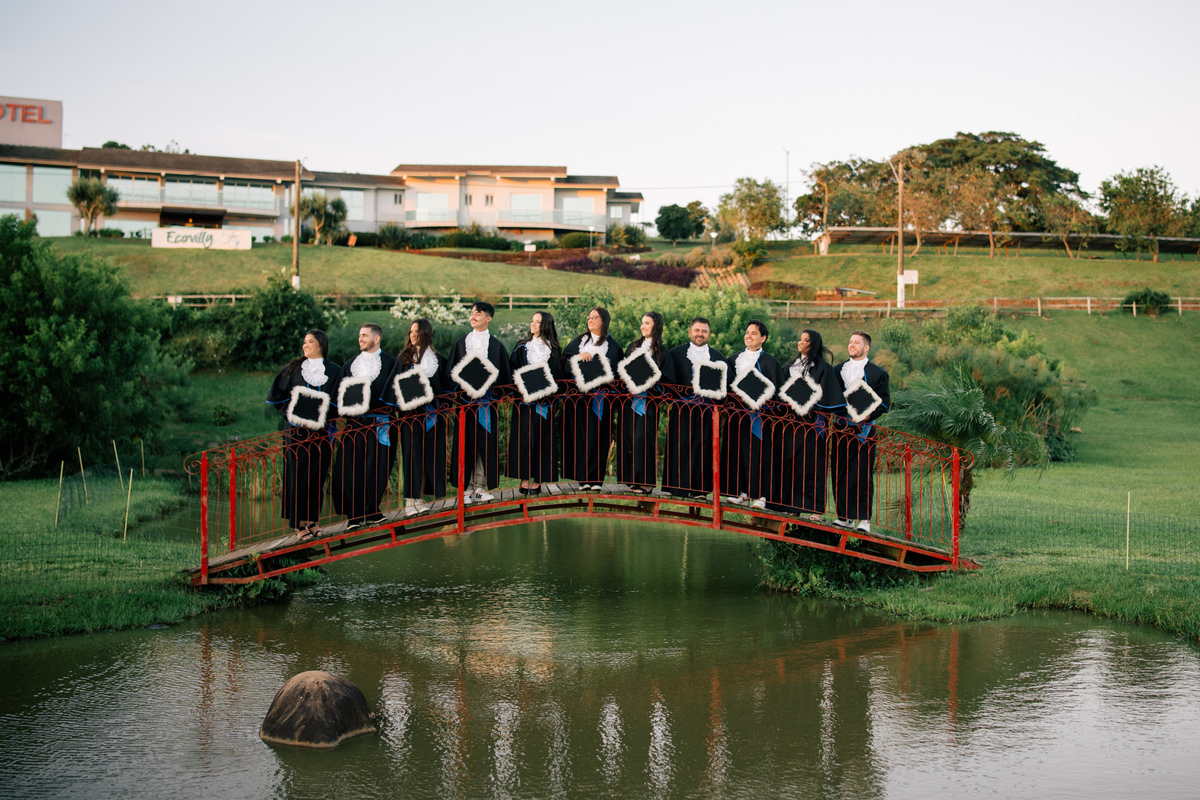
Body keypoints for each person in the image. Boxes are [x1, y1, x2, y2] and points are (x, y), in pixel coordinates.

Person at [265, 329, 343, 539]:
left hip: (322, 431)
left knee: (317, 475)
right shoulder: (293, 368)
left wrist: (322, 415)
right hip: (295, 431)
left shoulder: (334, 371)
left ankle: (312, 522)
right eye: (304, 342)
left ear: (321, 344)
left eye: (310, 342)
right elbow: (277, 396)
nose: (305, 345)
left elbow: (338, 400)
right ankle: (298, 526)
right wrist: (291, 414)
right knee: (297, 475)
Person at [775, 329, 845, 520]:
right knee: (791, 464)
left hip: (813, 423)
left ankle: (815, 509)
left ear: (814, 344)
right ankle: (792, 505)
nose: (801, 342)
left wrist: (808, 402)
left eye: (806, 340)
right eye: (800, 339)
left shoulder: (823, 368)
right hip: (791, 423)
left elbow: (828, 395)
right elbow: (780, 392)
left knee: (813, 465)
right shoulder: (789, 367)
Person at [332, 323, 397, 529]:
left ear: (376, 338)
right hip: (354, 424)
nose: (360, 339)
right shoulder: (350, 364)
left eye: (364, 335)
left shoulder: (392, 363)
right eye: (359, 335)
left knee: (378, 468)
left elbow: (398, 392)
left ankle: (372, 510)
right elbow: (339, 394)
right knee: (350, 469)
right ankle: (354, 515)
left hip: (381, 424)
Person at [448, 301, 510, 503]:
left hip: (486, 405)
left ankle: (480, 487)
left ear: (488, 318)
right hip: (465, 405)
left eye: (478, 313)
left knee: (485, 445)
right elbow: (451, 373)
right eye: (472, 313)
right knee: (465, 444)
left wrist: (489, 389)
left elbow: (504, 379)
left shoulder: (497, 347)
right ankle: (465, 490)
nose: (473, 316)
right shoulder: (460, 344)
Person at [386, 318, 448, 516]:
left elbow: (445, 389)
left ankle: (420, 498)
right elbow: (393, 388)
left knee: (429, 456)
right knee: (412, 457)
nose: (412, 335)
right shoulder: (403, 360)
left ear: (426, 333)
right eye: (411, 331)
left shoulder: (438, 360)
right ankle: (410, 502)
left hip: (431, 417)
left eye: (416, 331)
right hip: (410, 418)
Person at [830, 330, 890, 532]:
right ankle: (844, 516)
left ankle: (864, 520)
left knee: (862, 474)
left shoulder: (878, 373)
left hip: (865, 430)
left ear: (866, 347)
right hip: (841, 428)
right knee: (840, 472)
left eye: (856, 342)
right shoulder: (837, 370)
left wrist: (867, 415)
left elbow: (884, 403)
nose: (852, 345)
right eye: (850, 341)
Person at [720, 319, 783, 510]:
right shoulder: (733, 359)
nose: (749, 336)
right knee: (737, 452)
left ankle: (761, 496)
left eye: (754, 333)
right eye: (747, 332)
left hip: (759, 417)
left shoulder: (771, 362)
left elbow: (778, 392)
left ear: (763, 338)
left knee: (759, 454)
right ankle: (741, 493)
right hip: (736, 415)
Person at [663, 317, 725, 498]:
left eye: (704, 331)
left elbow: (724, 387)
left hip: (706, 410)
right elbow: (669, 381)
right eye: (697, 330)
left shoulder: (718, 357)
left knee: (703, 447)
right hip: (682, 409)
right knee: (680, 446)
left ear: (709, 334)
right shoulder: (675, 354)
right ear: (690, 332)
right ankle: (678, 487)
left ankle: (700, 489)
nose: (700, 334)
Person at [562, 306, 622, 490]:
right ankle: (583, 479)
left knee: (600, 438)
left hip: (602, 400)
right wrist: (578, 357)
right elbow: (564, 365)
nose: (590, 320)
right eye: (589, 317)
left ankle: (596, 480)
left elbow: (618, 375)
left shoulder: (614, 348)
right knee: (581, 437)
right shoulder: (578, 342)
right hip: (578, 400)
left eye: (595, 317)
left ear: (604, 321)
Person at [617, 311, 676, 493]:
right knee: (629, 439)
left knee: (644, 440)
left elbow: (668, 382)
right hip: (629, 402)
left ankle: (646, 483)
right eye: (642, 323)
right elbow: (622, 370)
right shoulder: (632, 347)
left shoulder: (663, 353)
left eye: (647, 323)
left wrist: (649, 382)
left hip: (648, 404)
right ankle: (632, 480)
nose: (643, 326)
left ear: (656, 326)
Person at [506, 311, 564, 494]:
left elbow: (559, 377)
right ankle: (524, 478)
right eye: (532, 321)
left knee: (542, 441)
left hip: (545, 404)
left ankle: (538, 480)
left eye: (537, 322)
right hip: (524, 403)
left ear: (545, 325)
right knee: (524, 441)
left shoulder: (553, 351)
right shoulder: (521, 347)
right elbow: (512, 372)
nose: (533, 324)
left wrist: (547, 392)